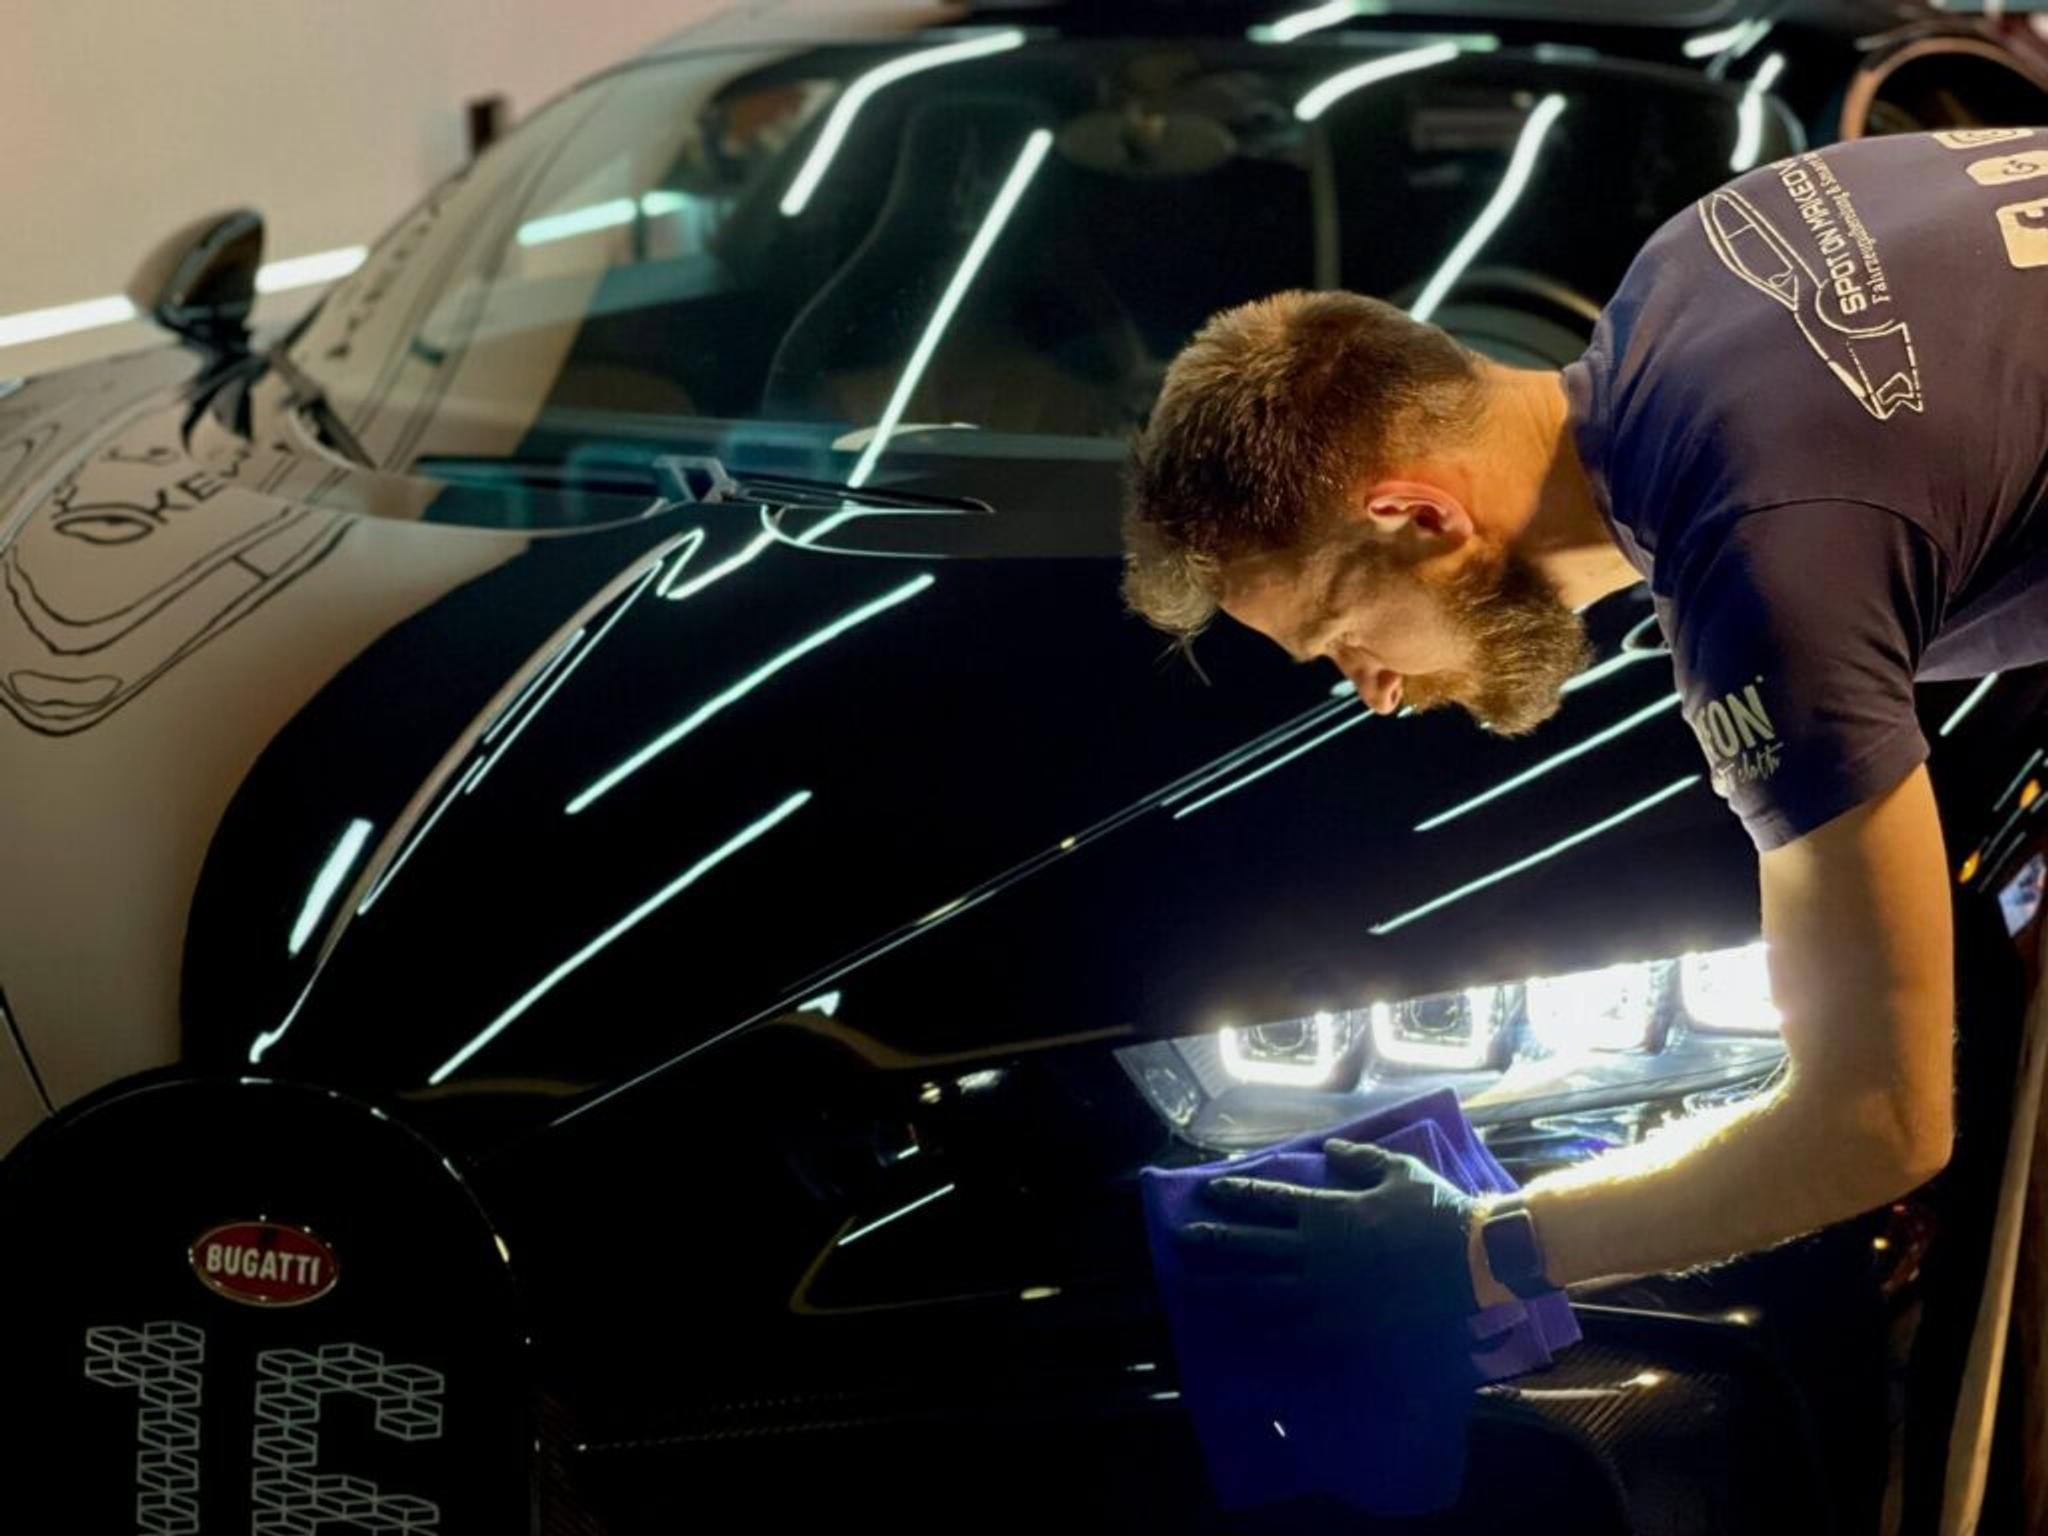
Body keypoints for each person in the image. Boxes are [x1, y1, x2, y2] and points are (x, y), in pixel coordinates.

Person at [1121, 129, 2048, 1335]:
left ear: (1413, 513)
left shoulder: (1760, 555)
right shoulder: (1692, 266)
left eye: (1345, 633)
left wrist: (1481, 1248)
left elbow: (1876, 1122)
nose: (1376, 691)